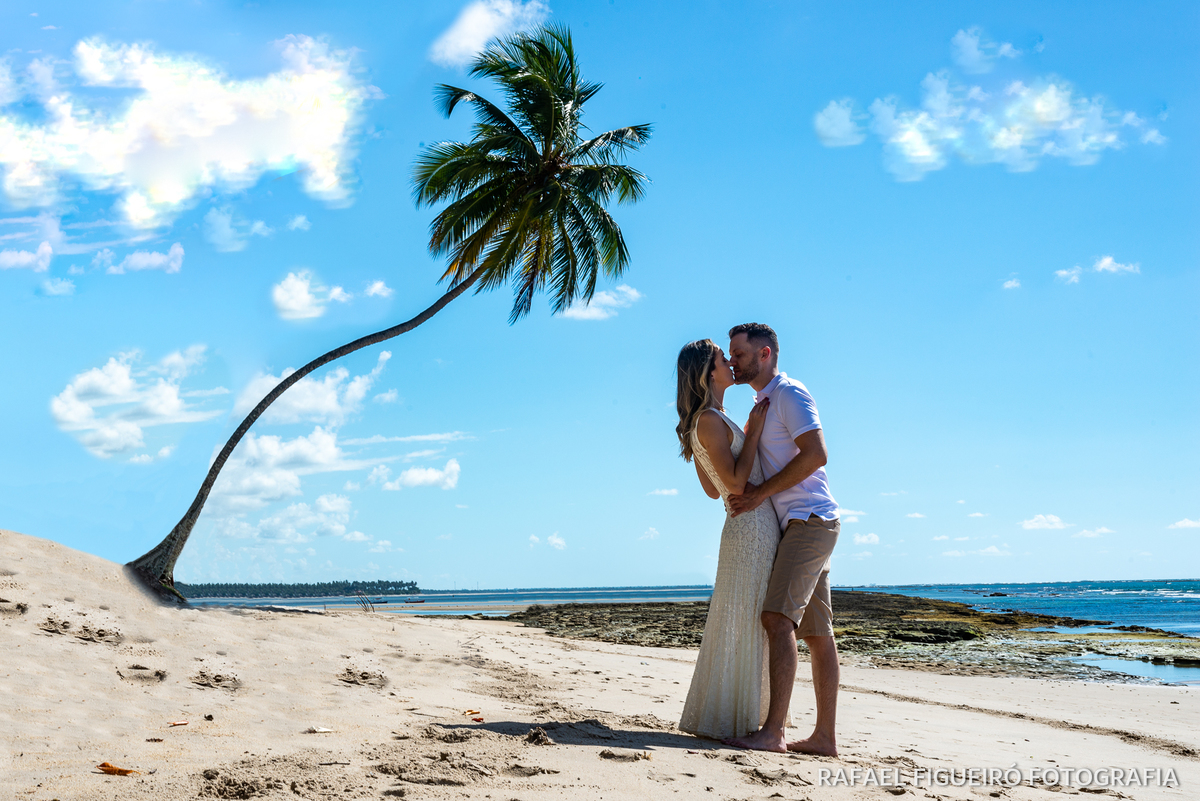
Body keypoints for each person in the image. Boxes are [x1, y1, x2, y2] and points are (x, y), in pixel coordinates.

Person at [724, 322, 841, 756]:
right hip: (806, 523)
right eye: (732, 355)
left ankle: (774, 733)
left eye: (739, 354)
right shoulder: (764, 402)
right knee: (817, 633)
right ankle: (825, 739)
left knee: (777, 620)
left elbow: (818, 453)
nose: (733, 361)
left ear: (766, 354)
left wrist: (758, 495)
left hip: (810, 520)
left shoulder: (790, 394)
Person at [674, 339, 783, 740]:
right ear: (708, 371)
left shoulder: (708, 419)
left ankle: (740, 714)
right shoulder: (709, 420)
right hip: (751, 526)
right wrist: (753, 432)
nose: (730, 362)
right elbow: (735, 483)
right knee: (749, 617)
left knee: (744, 616)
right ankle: (738, 717)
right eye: (723, 358)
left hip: (743, 526)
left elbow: (711, 489)